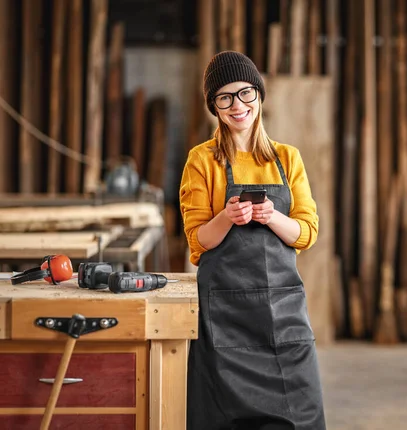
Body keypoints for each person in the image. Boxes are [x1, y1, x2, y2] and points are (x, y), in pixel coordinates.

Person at [179, 50, 327, 430]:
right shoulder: (202, 160)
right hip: (225, 318)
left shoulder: (287, 158)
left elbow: (307, 233)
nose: (237, 105)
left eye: (245, 93)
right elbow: (198, 242)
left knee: (301, 416)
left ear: (259, 96)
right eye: (224, 97)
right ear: (214, 105)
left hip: (283, 313)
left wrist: (274, 217)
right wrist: (226, 217)